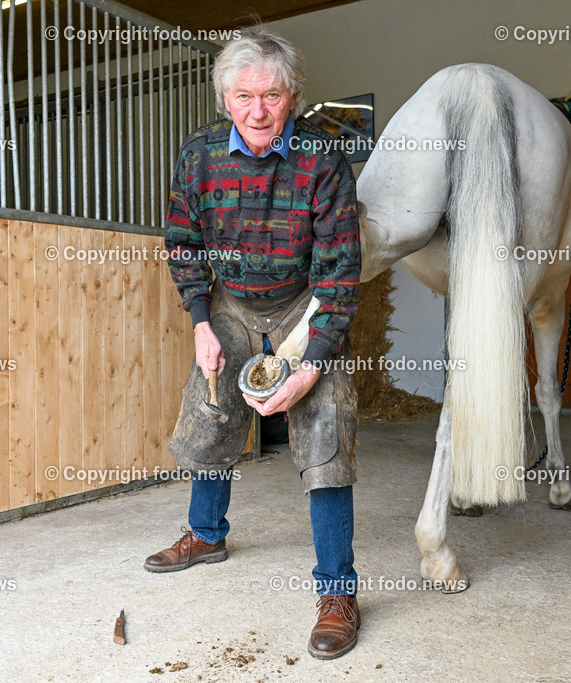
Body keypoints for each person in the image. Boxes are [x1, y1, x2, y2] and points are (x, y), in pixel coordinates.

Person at [143, 28, 363, 660]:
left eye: (271, 95)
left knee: (325, 431)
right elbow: (183, 243)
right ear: (225, 98)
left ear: (292, 96)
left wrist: (312, 366)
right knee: (213, 414)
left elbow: (341, 274)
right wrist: (200, 319)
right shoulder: (199, 155)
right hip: (232, 302)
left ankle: (337, 592)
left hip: (304, 304)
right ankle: (206, 534)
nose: (259, 111)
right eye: (244, 96)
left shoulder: (323, 159)